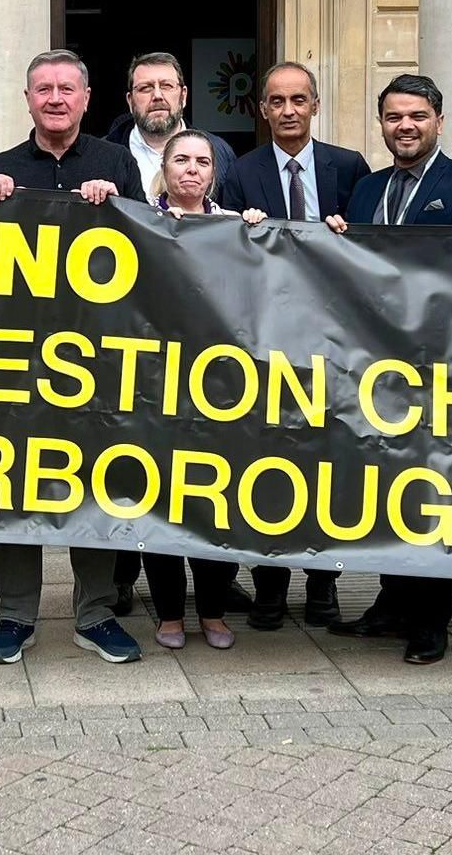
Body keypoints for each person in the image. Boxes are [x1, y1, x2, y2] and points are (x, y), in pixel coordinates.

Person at [0, 49, 147, 665]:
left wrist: (119, 208)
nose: (54, 98)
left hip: (95, 358)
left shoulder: (117, 163)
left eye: (66, 89)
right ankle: (15, 615)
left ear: (86, 97)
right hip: (19, 358)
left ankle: (95, 613)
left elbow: (150, 249)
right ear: (27, 99)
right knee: (15, 484)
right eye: (43, 88)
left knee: (90, 482)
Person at [322, 74, 452, 664]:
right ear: (382, 124)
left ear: (439, 122)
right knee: (385, 488)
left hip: (442, 366)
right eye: (395, 117)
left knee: (434, 491)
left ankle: (430, 623)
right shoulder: (366, 191)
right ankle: (390, 604)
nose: (405, 126)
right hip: (376, 369)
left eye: (417, 116)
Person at [219, 61, 369, 629]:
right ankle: (270, 585)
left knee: (327, 460)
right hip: (265, 339)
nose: (288, 110)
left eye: (298, 100)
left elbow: (369, 247)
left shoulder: (349, 168)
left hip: (333, 341)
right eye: (276, 101)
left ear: (315, 105)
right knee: (267, 460)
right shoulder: (242, 171)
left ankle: (325, 583)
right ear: (263, 110)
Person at [142, 128, 267, 649]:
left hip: (221, 387)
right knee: (162, 499)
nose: (191, 169)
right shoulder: (137, 222)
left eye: (202, 162)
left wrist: (262, 237)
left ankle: (213, 611)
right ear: (165, 169)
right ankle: (170, 614)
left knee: (217, 499)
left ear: (214, 173)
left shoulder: (233, 227)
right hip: (151, 385)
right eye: (181, 160)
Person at [107, 52, 236, 193]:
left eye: (166, 86)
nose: (157, 96)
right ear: (130, 101)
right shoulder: (105, 155)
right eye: (145, 88)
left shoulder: (219, 151)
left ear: (183, 96)